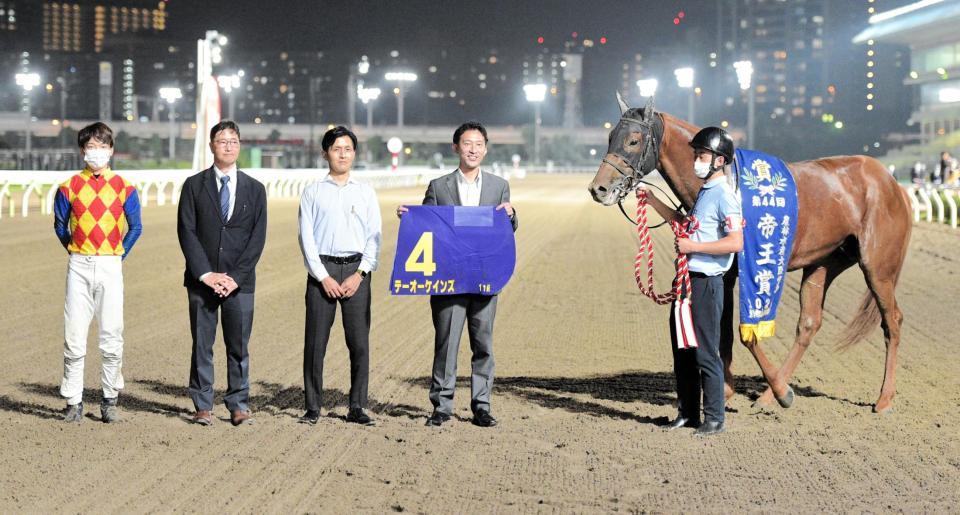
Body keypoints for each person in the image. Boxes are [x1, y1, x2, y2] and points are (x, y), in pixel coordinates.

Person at [397, 121, 518, 427]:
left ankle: (482, 405)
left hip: (484, 278)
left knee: (483, 345)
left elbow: (506, 231)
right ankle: (441, 405)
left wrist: (513, 216)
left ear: (486, 149)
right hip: (448, 279)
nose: (473, 149)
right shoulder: (438, 187)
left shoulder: (498, 186)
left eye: (478, 144)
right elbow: (426, 225)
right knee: (446, 343)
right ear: (456, 148)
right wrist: (409, 218)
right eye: (467, 144)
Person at [639, 126, 743, 437]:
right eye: (696, 154)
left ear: (719, 160)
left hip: (706, 284)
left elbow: (735, 242)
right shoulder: (705, 194)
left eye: (702, 155)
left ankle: (714, 417)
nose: (696, 160)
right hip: (686, 283)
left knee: (705, 351)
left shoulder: (725, 196)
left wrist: (694, 248)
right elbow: (688, 225)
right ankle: (687, 412)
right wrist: (653, 201)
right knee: (683, 350)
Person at [177, 120, 267, 427]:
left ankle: (238, 403)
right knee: (202, 344)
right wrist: (206, 274)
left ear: (239, 146)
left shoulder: (256, 190)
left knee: (238, 346)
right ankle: (203, 405)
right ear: (212, 146)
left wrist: (234, 277)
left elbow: (257, 239)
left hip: (240, 284)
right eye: (222, 141)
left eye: (233, 141)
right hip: (202, 283)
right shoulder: (193, 185)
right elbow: (186, 232)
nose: (228, 146)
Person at [53, 122, 142, 423]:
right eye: (91, 147)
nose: (96, 152)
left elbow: (136, 227)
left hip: (110, 265)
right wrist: (76, 249)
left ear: (111, 150)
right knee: (74, 336)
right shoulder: (68, 187)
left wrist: (118, 255)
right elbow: (59, 226)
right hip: (78, 264)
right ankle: (73, 401)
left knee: (111, 334)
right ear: (82, 151)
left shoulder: (125, 187)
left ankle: (109, 399)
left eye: (102, 146)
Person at [298, 126, 382, 426]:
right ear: (325, 154)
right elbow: (306, 239)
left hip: (356, 272)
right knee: (315, 344)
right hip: (323, 272)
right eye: (336, 148)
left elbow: (374, 237)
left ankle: (357, 405)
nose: (343, 154)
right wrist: (322, 277)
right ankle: (312, 406)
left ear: (354, 153)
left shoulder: (366, 192)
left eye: (348, 148)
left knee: (359, 343)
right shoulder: (312, 192)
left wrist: (361, 273)